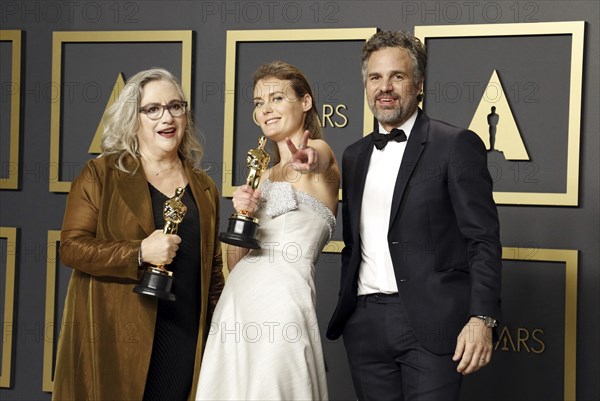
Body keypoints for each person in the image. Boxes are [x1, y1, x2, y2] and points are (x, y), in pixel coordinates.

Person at [326, 31, 502, 401]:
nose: (384, 87)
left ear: (419, 84)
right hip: (364, 323)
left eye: (397, 76)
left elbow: (482, 240)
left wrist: (481, 317)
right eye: (375, 78)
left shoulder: (455, 144)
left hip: (432, 324)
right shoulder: (354, 155)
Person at [53, 68, 225, 401]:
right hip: (118, 339)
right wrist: (139, 253)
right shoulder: (101, 174)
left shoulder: (205, 187)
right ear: (134, 119)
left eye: (176, 106)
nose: (167, 117)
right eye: (153, 109)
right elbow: (71, 248)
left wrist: (223, 335)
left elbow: (212, 271)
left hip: (186, 338)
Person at [196, 61, 339, 400]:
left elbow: (313, 157)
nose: (266, 109)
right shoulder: (259, 176)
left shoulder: (320, 154)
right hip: (238, 302)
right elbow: (237, 260)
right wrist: (242, 212)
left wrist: (303, 156)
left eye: (276, 98)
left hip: (283, 303)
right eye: (259, 102)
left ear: (305, 102)